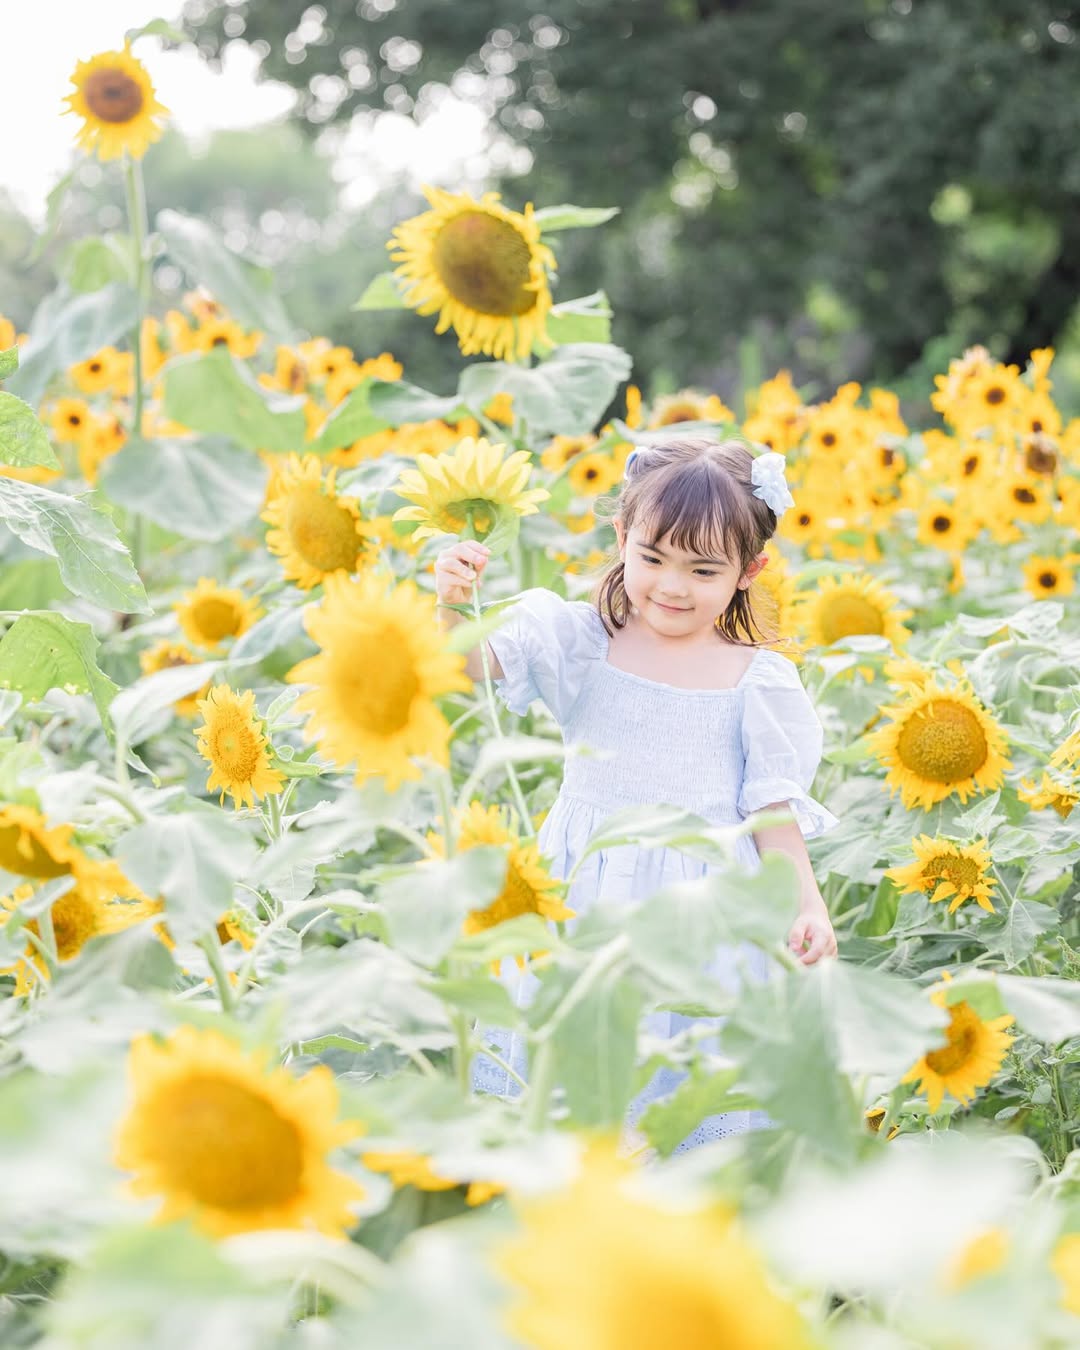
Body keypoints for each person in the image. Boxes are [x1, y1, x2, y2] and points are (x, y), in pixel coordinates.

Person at [434, 435, 839, 1152]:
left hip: (705, 920)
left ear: (750, 571)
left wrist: (807, 903)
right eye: (652, 558)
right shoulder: (582, 639)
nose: (671, 586)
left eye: (702, 569)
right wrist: (455, 602)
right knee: (574, 1081)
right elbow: (473, 660)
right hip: (583, 899)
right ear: (622, 538)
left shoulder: (756, 680)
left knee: (688, 1094)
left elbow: (771, 811)